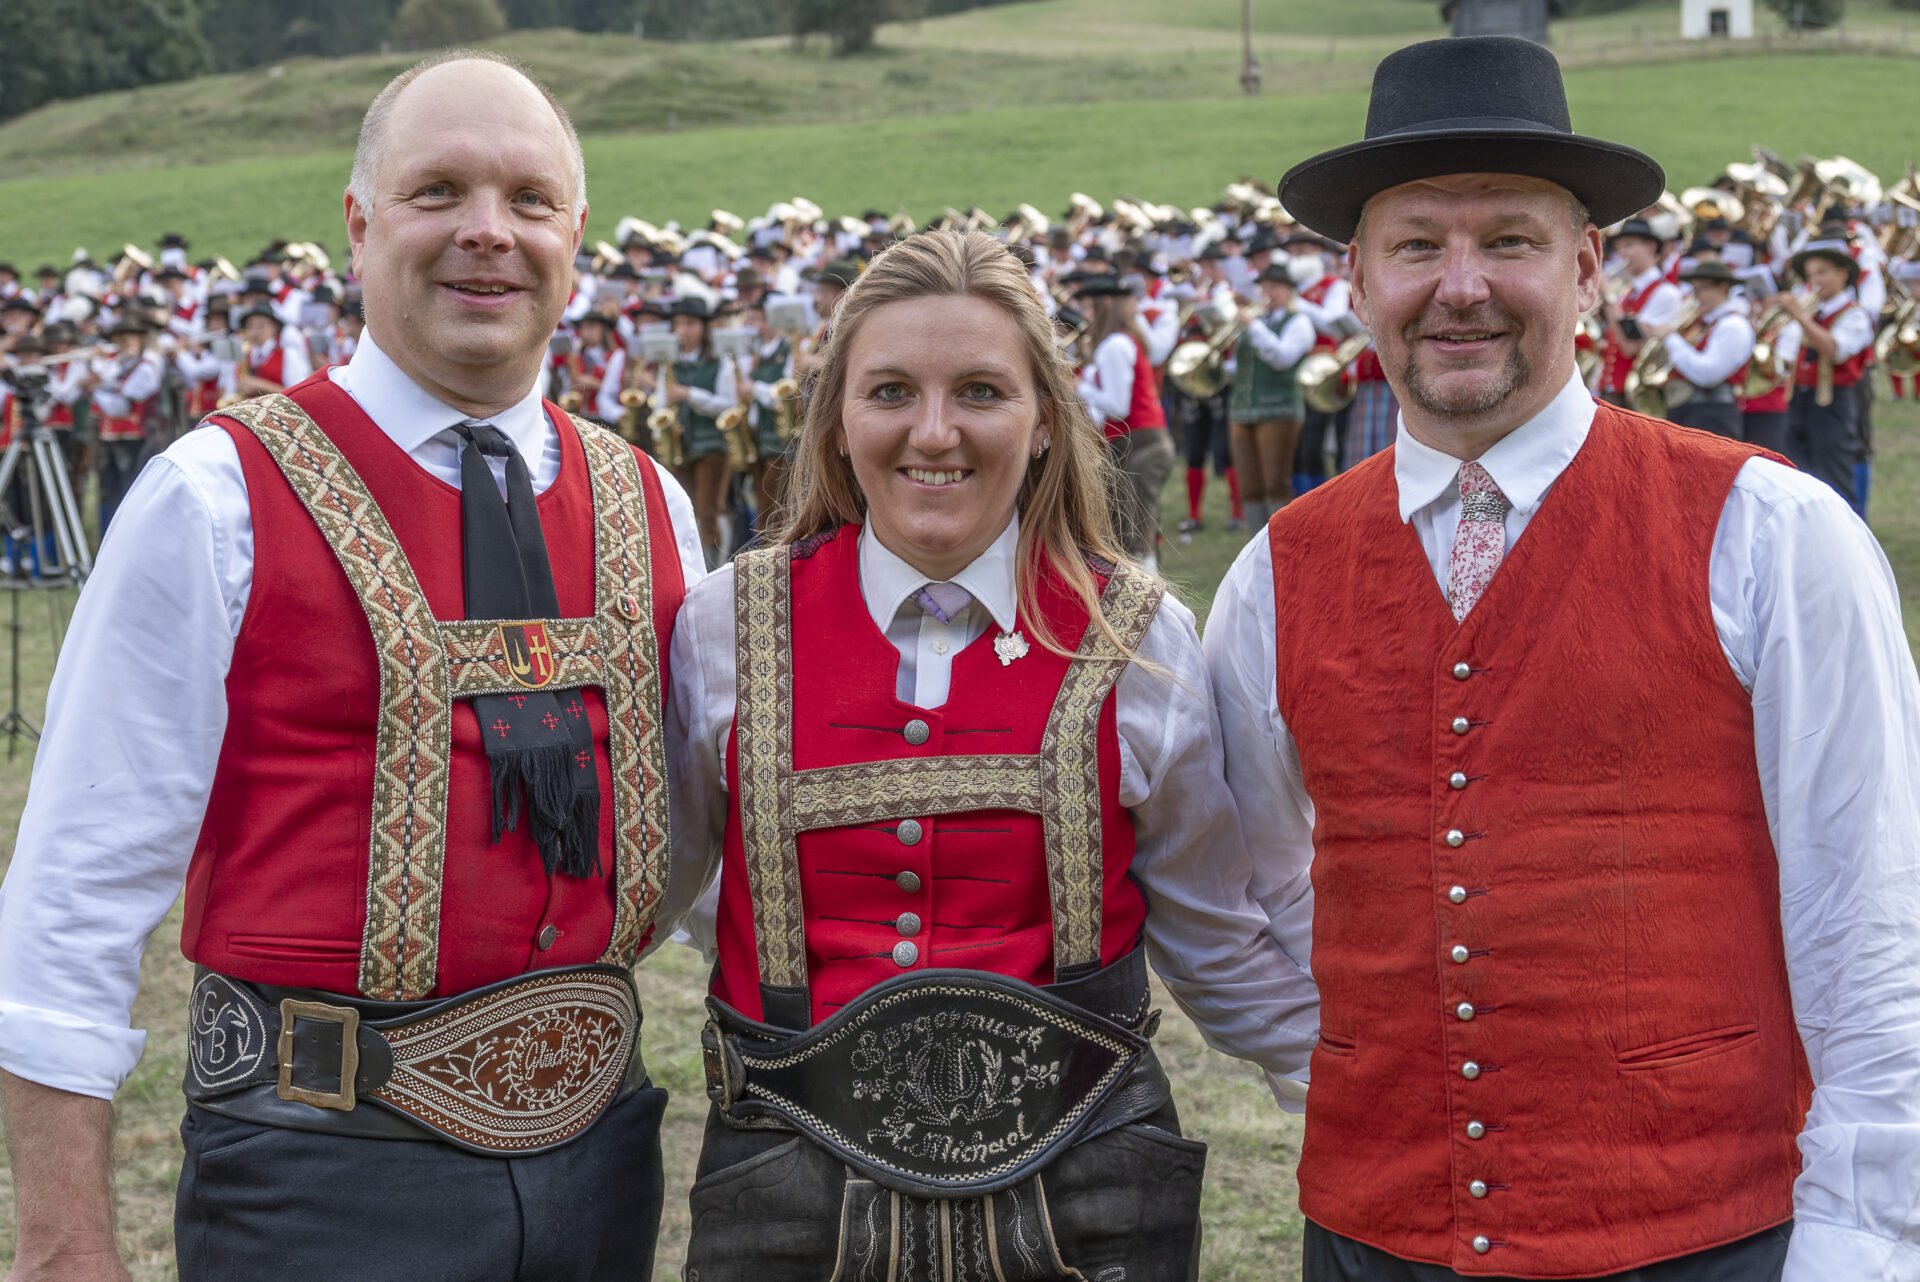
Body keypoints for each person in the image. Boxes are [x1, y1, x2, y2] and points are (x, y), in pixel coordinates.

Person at [1208, 35, 1920, 1282]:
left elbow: (1871, 909)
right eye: (1419, 244)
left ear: (1587, 266)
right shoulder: (1274, 573)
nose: (1462, 284)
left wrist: (1862, 1236)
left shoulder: (1773, 530)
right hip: (1379, 1238)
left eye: (1511, 241)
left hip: (1707, 1232)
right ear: (1361, 280)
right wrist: (1360, 1067)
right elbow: (1251, 887)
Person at [0, 51, 706, 1281]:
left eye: (529, 200)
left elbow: (711, 852)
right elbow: (73, 900)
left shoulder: (650, 501)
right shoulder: (211, 497)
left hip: (603, 1158)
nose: (488, 232)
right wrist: (65, 1248)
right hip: (317, 1173)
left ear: (575, 235)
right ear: (360, 220)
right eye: (439, 191)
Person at [668, 229, 1317, 1282]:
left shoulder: (1137, 634)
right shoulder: (720, 627)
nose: (935, 431)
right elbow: (676, 889)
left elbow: (1215, 925)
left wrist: (1362, 1089)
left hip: (1089, 1193)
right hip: (786, 1189)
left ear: (1046, 421)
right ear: (838, 421)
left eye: (979, 390)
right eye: (890, 392)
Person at [1075, 274, 1174, 568]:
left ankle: (1149, 604)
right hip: (1134, 442)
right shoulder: (1117, 343)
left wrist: (1078, 387)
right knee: (1131, 534)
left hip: (1138, 444)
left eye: (1089, 309)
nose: (1085, 316)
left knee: (1136, 539)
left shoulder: (1115, 344)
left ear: (1105, 306)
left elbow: (1117, 406)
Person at [631, 295, 737, 568]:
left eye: (690, 324)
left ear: (704, 328)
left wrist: (689, 394)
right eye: (678, 324)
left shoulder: (720, 361)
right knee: (679, 510)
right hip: (680, 445)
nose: (682, 330)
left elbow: (729, 404)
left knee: (707, 511)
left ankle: (714, 568)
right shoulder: (670, 363)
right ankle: (685, 569)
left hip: (712, 447)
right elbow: (662, 403)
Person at [1775, 231, 1875, 513]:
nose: (1815, 281)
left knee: (1836, 480)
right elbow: (1785, 353)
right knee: (1801, 479)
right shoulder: (1812, 314)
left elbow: (1834, 349)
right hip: (1799, 402)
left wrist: (1798, 316)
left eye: (1822, 273)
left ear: (1843, 274)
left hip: (1834, 406)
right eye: (1810, 275)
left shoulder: (1855, 314)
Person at [1228, 262, 1315, 531]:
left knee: (1275, 483)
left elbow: (1282, 358)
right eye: (1264, 287)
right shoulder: (1260, 322)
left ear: (1289, 291)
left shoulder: (1299, 322)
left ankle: (1280, 542)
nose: (1267, 292)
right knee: (1250, 486)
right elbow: (1241, 366)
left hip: (1279, 411)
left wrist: (1252, 326)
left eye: (1274, 287)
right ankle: (1255, 545)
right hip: (1242, 411)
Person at [1656, 259, 1755, 439]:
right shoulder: (1702, 323)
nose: (1697, 296)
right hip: (1688, 412)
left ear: (1724, 288)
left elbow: (1708, 374)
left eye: (1703, 288)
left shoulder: (1733, 325)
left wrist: (1671, 339)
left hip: (1713, 416)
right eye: (1694, 289)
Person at [1597, 218, 1682, 408]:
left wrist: (1607, 295)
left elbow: (1630, 346)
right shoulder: (1627, 293)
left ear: (1651, 247)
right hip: (1610, 391)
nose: (1622, 253)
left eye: (1629, 245)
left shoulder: (1666, 293)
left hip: (1635, 397)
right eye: (1619, 248)